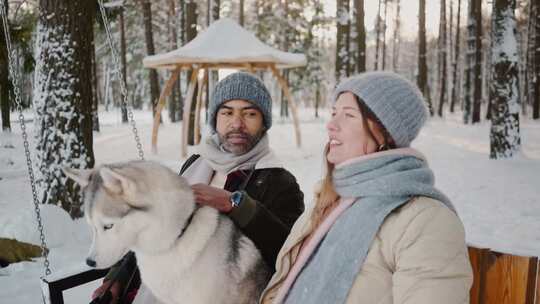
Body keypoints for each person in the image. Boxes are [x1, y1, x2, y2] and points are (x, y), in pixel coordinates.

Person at [260, 72, 473, 304]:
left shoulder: (425, 219)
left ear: (385, 132)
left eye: (349, 115)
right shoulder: (328, 201)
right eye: (334, 113)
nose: (331, 125)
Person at [92, 72, 305, 304]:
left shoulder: (280, 183)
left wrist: (235, 204)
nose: (237, 123)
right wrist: (120, 277)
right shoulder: (195, 164)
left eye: (250, 113)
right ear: (215, 119)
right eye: (227, 112)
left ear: (264, 123)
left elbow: (289, 257)